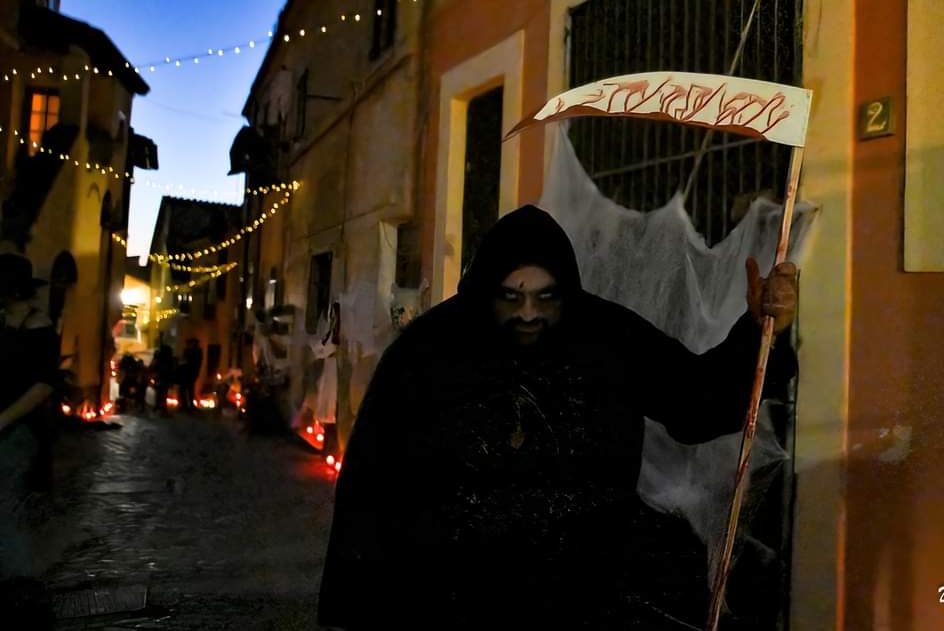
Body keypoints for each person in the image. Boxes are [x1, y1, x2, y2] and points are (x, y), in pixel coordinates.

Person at [318, 206, 799, 630]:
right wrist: (360, 604)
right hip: (451, 600)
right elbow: (371, 483)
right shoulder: (426, 351)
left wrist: (758, 334)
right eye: (511, 294)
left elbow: (696, 400)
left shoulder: (608, 337)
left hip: (581, 597)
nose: (528, 313)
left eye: (544, 295)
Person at [0, 252, 59, 628]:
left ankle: (23, 590)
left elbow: (44, 384)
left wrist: (4, 418)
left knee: (6, 505)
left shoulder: (39, 329)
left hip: (19, 429)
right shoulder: (2, 322)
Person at [178, 338, 203, 410]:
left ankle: (185, 405)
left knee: (185, 389)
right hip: (191, 373)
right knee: (189, 389)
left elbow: (184, 361)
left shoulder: (190, 351)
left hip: (187, 373)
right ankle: (188, 405)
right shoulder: (197, 351)